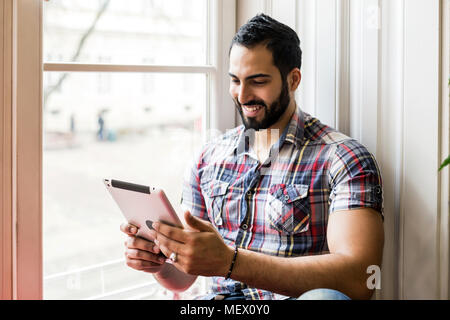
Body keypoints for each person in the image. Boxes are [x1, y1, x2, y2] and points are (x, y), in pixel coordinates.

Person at [120, 14, 384, 300]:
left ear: (293, 79)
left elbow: (361, 278)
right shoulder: (208, 158)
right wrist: (158, 261)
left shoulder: (344, 158)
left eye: (257, 81)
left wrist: (231, 262)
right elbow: (182, 278)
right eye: (235, 80)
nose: (243, 95)